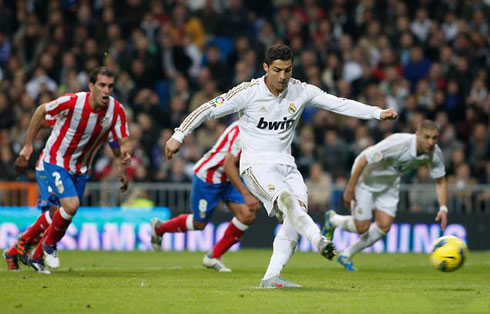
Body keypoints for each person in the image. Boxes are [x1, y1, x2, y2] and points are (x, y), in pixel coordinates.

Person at [165, 44, 398, 287]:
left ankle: (272, 276)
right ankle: (319, 240)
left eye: (287, 70)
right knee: (287, 202)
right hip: (256, 165)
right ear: (265, 67)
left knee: (294, 215)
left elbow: (338, 103)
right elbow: (208, 108)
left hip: (287, 164)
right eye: (277, 70)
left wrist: (376, 113)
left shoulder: (301, 91)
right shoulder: (248, 92)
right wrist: (179, 134)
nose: (283, 77)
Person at [13, 66, 131, 274]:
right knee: (64, 207)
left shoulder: (115, 111)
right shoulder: (73, 102)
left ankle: (31, 252)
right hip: (53, 161)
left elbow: (117, 140)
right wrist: (27, 146)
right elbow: (42, 112)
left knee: (64, 214)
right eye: (102, 85)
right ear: (91, 86)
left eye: (110, 86)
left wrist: (122, 162)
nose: (106, 91)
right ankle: (32, 248)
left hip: (81, 169)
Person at [322, 120, 448, 271]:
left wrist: (443, 208)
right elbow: (364, 159)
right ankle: (333, 219)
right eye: (426, 137)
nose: (430, 142)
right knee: (362, 228)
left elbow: (441, 182)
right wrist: (350, 188)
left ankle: (346, 254)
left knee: (384, 226)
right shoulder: (398, 144)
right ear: (417, 135)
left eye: (434, 138)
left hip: (389, 183)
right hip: (366, 179)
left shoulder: (434, 154)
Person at [151, 121, 261, 272]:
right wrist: (246, 194)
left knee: (247, 215)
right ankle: (159, 228)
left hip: (228, 179)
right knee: (199, 223)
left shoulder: (262, 129)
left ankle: (213, 257)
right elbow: (229, 165)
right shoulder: (242, 131)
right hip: (209, 178)